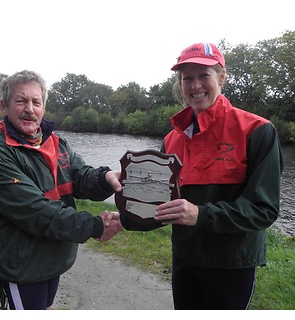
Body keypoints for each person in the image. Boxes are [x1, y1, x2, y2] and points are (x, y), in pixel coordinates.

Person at [119, 43, 283, 309]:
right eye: (187, 78)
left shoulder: (257, 130)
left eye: (203, 75)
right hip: (185, 260)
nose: (195, 86)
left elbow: (263, 209)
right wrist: (124, 217)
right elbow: (161, 205)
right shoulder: (172, 139)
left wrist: (200, 214)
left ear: (221, 77)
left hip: (231, 266)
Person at [0, 70, 123, 310]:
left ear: (43, 107)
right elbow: (39, 214)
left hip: (54, 257)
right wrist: (95, 226)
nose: (30, 109)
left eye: (36, 102)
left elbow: (80, 176)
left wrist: (105, 177)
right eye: (21, 101)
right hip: (23, 265)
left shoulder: (54, 142)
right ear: (4, 106)